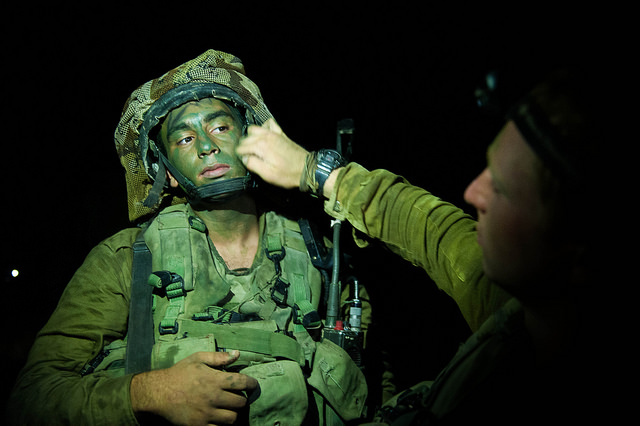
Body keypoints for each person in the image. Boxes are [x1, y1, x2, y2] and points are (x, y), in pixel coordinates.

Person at [7, 49, 373, 425]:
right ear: (164, 170)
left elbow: (372, 381)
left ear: (251, 139)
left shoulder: (319, 252)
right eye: (184, 138)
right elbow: (32, 397)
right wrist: (151, 392)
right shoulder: (127, 258)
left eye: (219, 127)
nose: (206, 146)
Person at [237, 67, 613, 423]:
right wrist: (320, 174)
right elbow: (432, 230)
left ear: (578, 249)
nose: (473, 193)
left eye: (503, 189)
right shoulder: (518, 313)